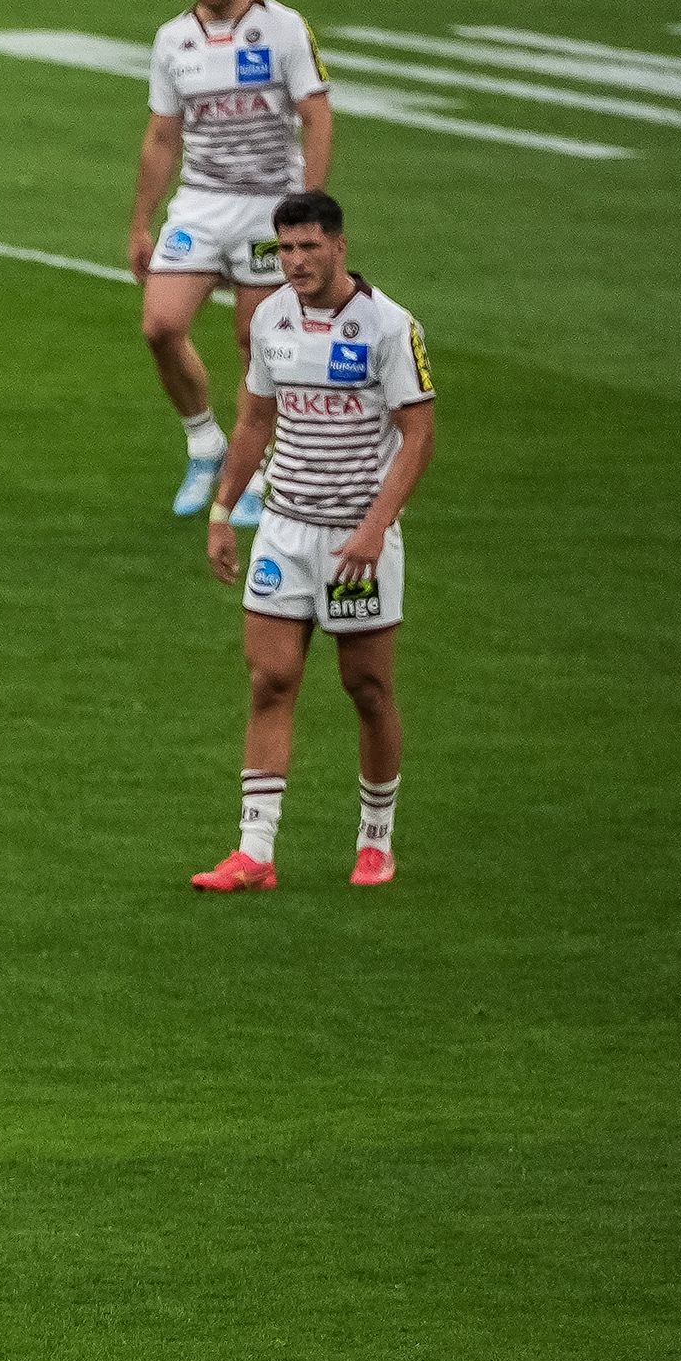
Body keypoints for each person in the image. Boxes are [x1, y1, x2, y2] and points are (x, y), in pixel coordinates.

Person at [196, 190, 433, 892]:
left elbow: (418, 437)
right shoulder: (270, 317)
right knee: (270, 680)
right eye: (284, 249)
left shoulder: (389, 328)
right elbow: (253, 423)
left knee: (366, 688)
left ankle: (375, 837)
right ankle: (255, 853)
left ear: (339, 246)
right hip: (285, 529)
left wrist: (374, 526)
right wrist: (222, 508)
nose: (294, 262)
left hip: (356, 539)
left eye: (307, 247)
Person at [132, 0, 335, 523]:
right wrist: (141, 222)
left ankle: (257, 471)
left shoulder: (284, 28)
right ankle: (204, 444)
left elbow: (317, 116)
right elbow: (163, 136)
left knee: (258, 344)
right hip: (201, 203)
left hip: (270, 206)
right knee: (161, 325)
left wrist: (309, 209)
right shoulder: (173, 40)